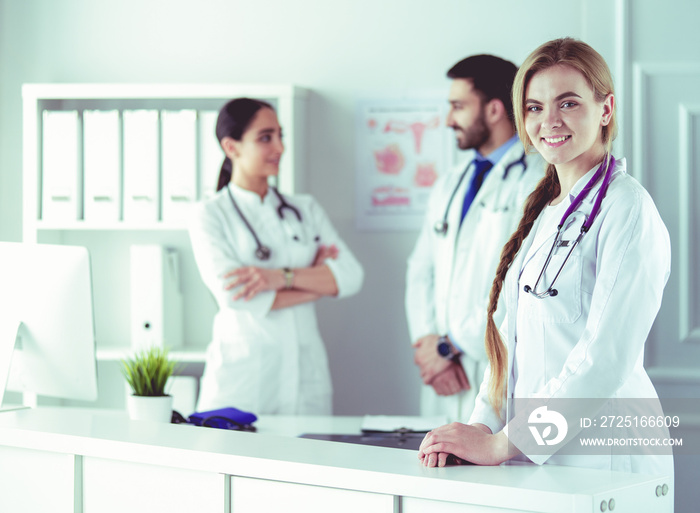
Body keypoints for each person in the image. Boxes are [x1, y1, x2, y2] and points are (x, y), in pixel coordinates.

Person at [418, 38, 674, 484]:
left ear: (606, 110)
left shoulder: (627, 208)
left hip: (608, 458)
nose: (549, 121)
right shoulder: (544, 210)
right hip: (537, 455)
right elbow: (507, 340)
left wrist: (503, 443)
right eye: (534, 107)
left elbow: (606, 358)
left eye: (568, 103)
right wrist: (483, 423)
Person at [189, 98, 364, 415]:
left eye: (280, 136)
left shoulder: (304, 208)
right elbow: (236, 297)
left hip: (305, 376)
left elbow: (351, 277)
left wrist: (278, 278)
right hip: (243, 380)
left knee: (308, 461)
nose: (280, 147)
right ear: (232, 147)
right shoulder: (209, 214)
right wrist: (319, 281)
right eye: (266, 137)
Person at [405, 55, 543, 423]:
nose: (449, 120)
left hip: (491, 364)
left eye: (458, 106)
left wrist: (451, 346)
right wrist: (429, 345)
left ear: (495, 109)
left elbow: (518, 283)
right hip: (442, 372)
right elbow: (420, 269)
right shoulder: (451, 182)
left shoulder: (537, 180)